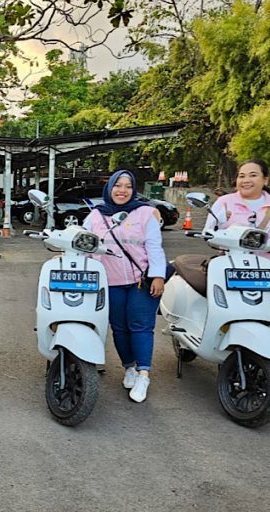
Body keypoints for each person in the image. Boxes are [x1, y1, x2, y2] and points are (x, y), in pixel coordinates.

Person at [83, 170, 167, 403]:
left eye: (128, 186)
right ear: (109, 188)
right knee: (119, 327)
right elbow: (83, 243)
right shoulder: (95, 216)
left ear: (134, 190)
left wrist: (158, 276)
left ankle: (143, 374)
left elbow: (155, 247)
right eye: (117, 185)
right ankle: (128, 367)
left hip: (141, 280)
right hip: (108, 282)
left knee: (140, 326)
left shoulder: (146, 213)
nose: (122, 190)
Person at [203, 159, 270, 277]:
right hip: (231, 271)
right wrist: (219, 222)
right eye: (241, 176)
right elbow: (207, 233)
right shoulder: (224, 202)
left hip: (267, 273)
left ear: (265, 180)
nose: (246, 180)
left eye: (253, 175)